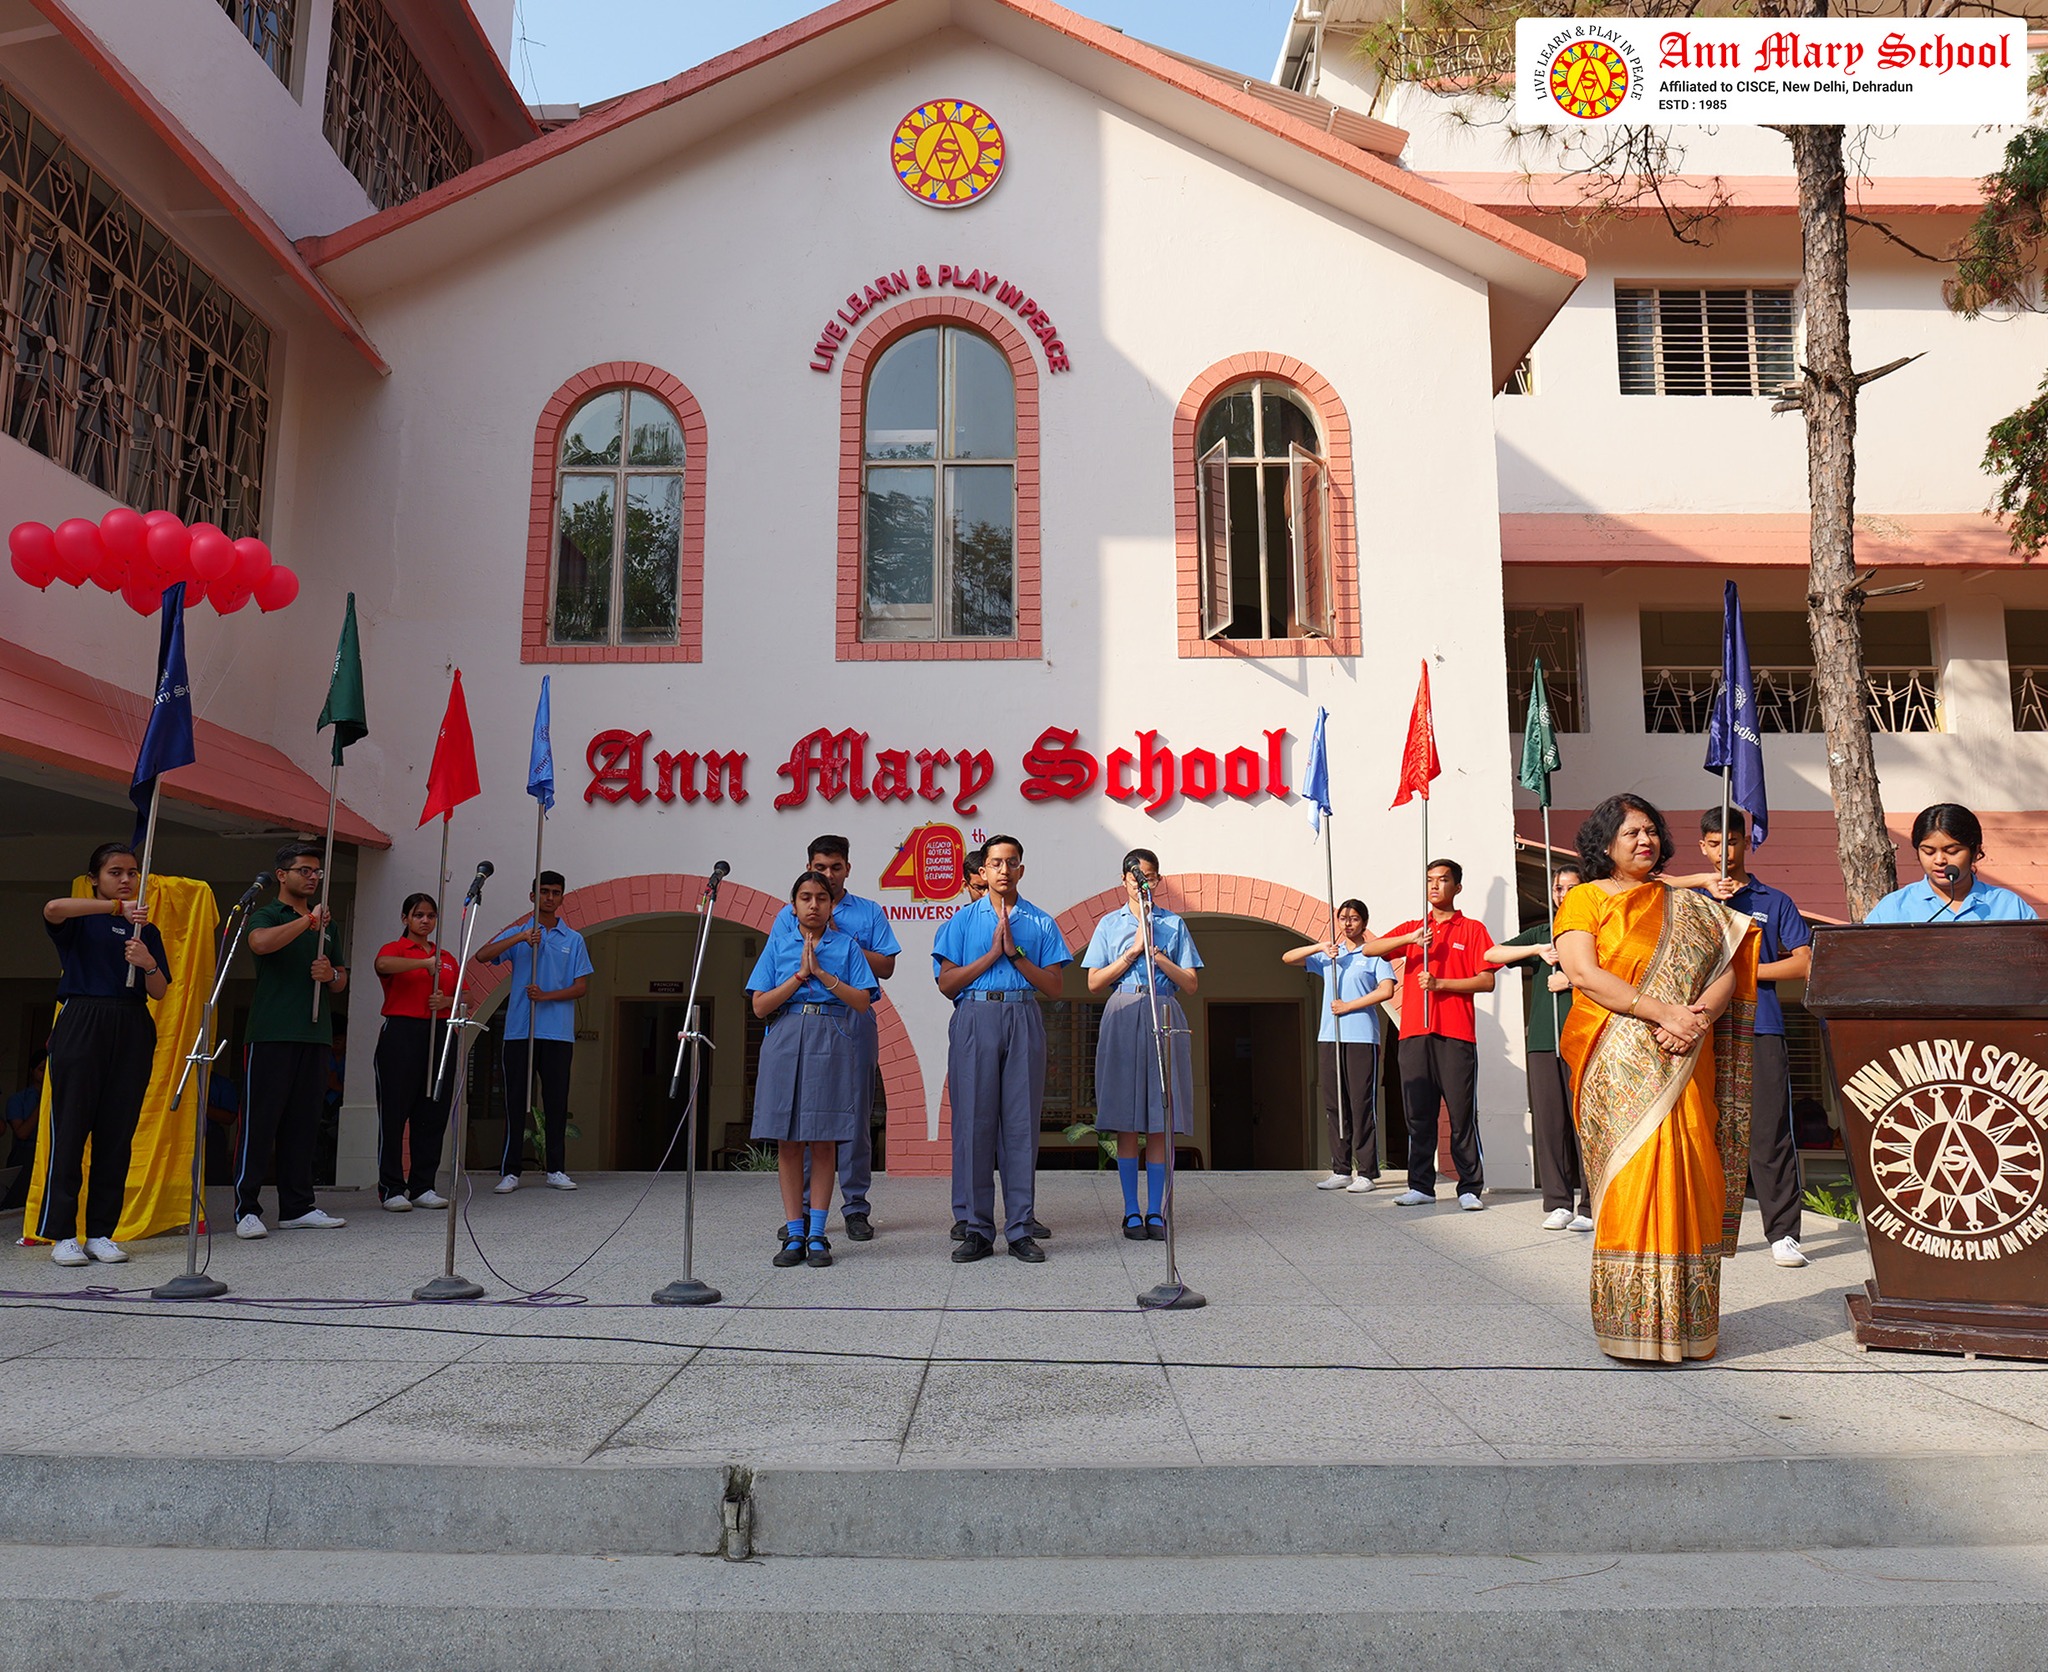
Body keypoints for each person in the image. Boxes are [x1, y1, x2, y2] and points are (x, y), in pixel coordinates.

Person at [1553, 794, 1758, 1364]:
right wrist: (1661, 1010)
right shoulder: (1586, 899)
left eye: (1650, 831)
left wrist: (1695, 1019)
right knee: (1634, 1175)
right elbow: (1582, 972)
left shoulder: (1690, 907)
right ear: (1604, 844)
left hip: (1685, 1054)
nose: (1644, 841)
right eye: (1630, 833)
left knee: (1690, 1169)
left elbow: (1726, 969)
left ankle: (1689, 1322)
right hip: (1614, 1058)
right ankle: (1633, 1324)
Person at [932, 834, 1070, 1263]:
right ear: (984, 871)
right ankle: (976, 1229)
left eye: (1011, 862)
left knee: (1021, 1126)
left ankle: (1020, 1229)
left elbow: (1053, 985)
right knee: (973, 1123)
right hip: (975, 1015)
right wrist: (992, 956)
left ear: (1021, 869)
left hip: (1023, 1014)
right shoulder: (960, 922)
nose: (1003, 870)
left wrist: (1016, 955)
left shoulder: (1041, 922)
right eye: (995, 863)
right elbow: (946, 983)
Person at [1694, 809, 1814, 1269]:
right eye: (1712, 843)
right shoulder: (1695, 901)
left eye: (1730, 841)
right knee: (1704, 1131)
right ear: (1702, 847)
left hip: (1760, 1026)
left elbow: (1802, 963)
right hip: (1703, 1025)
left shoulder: (1775, 900)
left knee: (1768, 1133)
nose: (1722, 851)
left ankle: (1783, 1233)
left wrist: (1746, 974)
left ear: (1745, 843)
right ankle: (1706, 1228)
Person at [36, 844, 169, 1264]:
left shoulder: (146, 930)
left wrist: (147, 963)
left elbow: (161, 989)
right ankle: (60, 1233)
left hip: (131, 1021)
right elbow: (53, 907)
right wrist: (113, 909)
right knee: (71, 1127)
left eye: (132, 872)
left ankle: (100, 1232)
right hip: (83, 1017)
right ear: (95, 878)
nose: (126, 879)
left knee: (118, 1132)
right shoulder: (85, 918)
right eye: (115, 872)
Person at [747, 870, 880, 1269]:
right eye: (805, 897)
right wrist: (799, 976)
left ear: (830, 904)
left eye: (821, 898)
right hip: (786, 1037)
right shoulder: (779, 944)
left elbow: (861, 1001)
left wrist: (823, 974)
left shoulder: (847, 947)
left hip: (832, 1037)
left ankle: (819, 1233)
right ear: (793, 906)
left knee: (824, 1140)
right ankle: (795, 1232)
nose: (813, 905)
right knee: (789, 1141)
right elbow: (759, 1005)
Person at [777, 834, 900, 1241]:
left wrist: (839, 941)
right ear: (808, 867)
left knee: (854, 1114)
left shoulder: (867, 913)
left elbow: (885, 966)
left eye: (835, 868)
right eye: (819, 868)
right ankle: (808, 1212)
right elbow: (777, 963)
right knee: (806, 1116)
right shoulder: (788, 913)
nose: (826, 876)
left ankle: (855, 1207)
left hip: (853, 1019)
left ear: (847, 869)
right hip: (805, 1023)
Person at [1359, 859, 1496, 1211]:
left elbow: (1487, 980)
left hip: (1456, 1034)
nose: (1435, 886)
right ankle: (1421, 1185)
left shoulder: (1473, 930)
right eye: (1430, 880)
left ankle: (1469, 1187)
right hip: (1414, 1034)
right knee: (1418, 1114)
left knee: (1462, 1114)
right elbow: (1369, 949)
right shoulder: (1416, 929)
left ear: (1457, 887)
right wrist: (1409, 939)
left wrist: (1441, 984)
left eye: (1443, 880)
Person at [1084, 850, 1202, 1239]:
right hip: (1124, 1008)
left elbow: (1190, 984)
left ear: (1158, 879)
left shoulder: (1172, 923)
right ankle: (1131, 1210)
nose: (1142, 883)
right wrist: (1132, 952)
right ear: (1124, 880)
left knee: (1158, 1116)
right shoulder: (1108, 923)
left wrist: (1156, 953)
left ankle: (1157, 1211)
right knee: (1125, 1117)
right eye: (1135, 877)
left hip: (1163, 1007)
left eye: (1148, 876)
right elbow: (1095, 982)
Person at [237, 842, 348, 1238]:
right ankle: (246, 1207)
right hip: (271, 1032)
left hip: (314, 1035)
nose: (313, 877)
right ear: (282, 875)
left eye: (316, 871)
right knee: (260, 1121)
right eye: (304, 870)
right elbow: (260, 944)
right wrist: (307, 922)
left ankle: (298, 1206)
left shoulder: (329, 925)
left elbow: (341, 977)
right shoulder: (269, 913)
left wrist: (330, 976)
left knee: (304, 1123)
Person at [1484, 864, 1593, 1232]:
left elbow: (1614, 972)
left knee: (1584, 1124)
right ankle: (1558, 1201)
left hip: (1583, 1037)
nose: (1563, 894)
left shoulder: (1596, 932)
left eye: (1571, 888)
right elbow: (1491, 955)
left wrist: (1572, 979)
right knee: (1550, 1123)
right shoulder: (1544, 934)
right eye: (1558, 888)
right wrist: (1536, 949)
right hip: (1545, 1041)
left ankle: (1591, 1204)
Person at [477, 870, 593, 1193]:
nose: (550, 898)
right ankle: (511, 1171)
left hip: (557, 1034)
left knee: (556, 1101)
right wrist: (521, 938)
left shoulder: (574, 940)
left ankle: (556, 1168)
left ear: (562, 898)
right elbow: (483, 956)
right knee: (515, 1101)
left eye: (556, 892)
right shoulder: (519, 933)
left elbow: (581, 987)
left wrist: (545, 996)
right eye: (544, 892)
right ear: (533, 896)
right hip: (519, 1031)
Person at [1283, 900, 1396, 1192]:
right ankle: (1341, 1168)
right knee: (1335, 1105)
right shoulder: (1332, 955)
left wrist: (1349, 1006)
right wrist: (1319, 947)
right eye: (1343, 918)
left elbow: (1386, 990)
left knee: (1361, 1104)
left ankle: (1367, 1172)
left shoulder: (1373, 953)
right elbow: (1287, 958)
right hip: (1329, 1037)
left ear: (1364, 922)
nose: (1348, 923)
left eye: (1354, 918)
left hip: (1360, 1038)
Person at [371, 894, 458, 1212]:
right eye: (418, 915)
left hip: (439, 1033)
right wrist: (423, 963)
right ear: (405, 918)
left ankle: (423, 1185)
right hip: (402, 1032)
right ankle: (392, 1186)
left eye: (431, 916)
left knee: (432, 1112)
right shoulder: (395, 950)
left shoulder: (446, 957)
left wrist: (446, 1002)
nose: (425, 921)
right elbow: (382, 965)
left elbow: (466, 993)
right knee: (395, 1112)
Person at [1863, 803, 2039, 924]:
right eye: (1928, 851)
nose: (1939, 861)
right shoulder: (1894, 907)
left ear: (1975, 852)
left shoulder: (2009, 906)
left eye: (1952, 851)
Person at [2, 1052, 46, 1213]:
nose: (46, 1073)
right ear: (32, 1071)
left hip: (50, 1153)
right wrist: (43, 1102)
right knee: (16, 1203)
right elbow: (21, 1133)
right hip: (25, 1153)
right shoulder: (18, 1099)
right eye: (42, 1069)